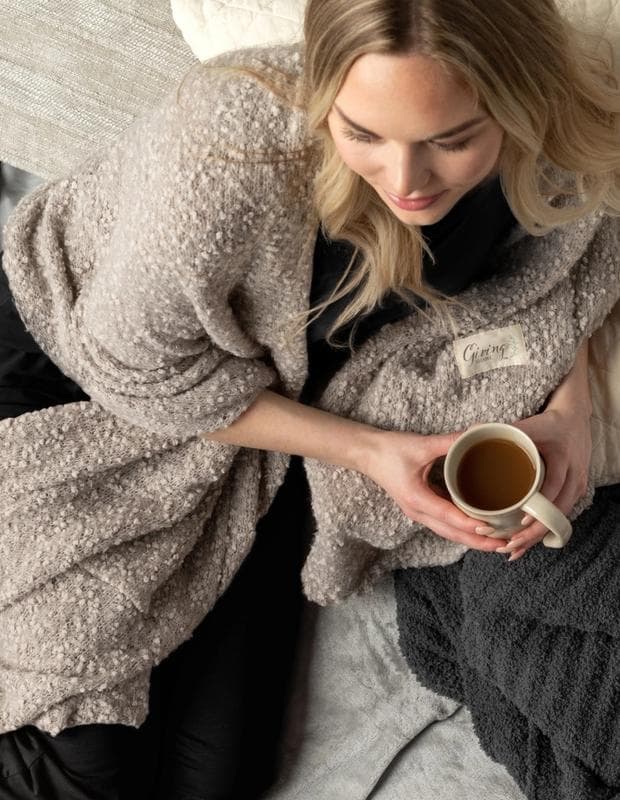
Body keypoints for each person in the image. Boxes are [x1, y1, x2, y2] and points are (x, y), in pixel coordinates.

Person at [0, 1, 618, 799]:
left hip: (273, 426)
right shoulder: (227, 149)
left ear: (520, 101)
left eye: (452, 140)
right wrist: (367, 451)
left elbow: (574, 288)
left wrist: (567, 417)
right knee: (81, 758)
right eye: (363, 134)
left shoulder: (565, 145)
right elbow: (140, 367)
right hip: (85, 368)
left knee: (218, 780)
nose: (405, 181)